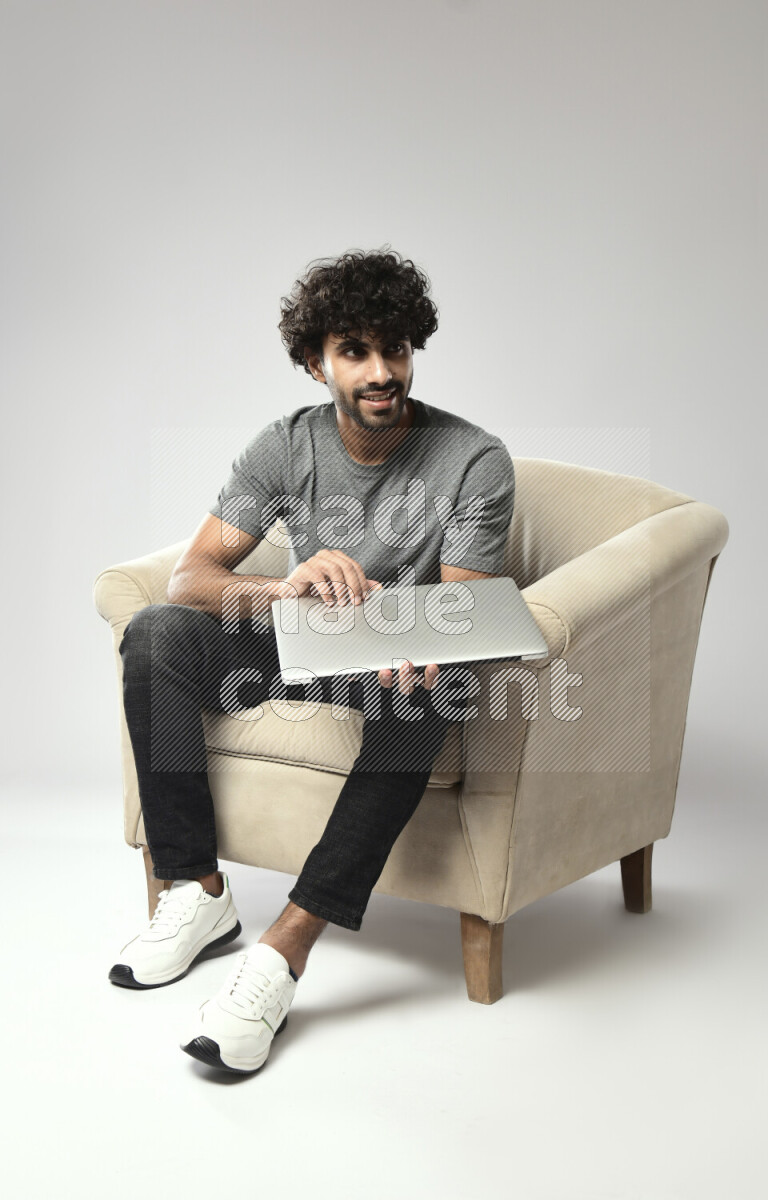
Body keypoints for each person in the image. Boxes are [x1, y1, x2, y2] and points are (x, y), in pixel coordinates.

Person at [111, 247, 516, 1075]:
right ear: (315, 361)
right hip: (297, 638)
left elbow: (459, 609)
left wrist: (410, 629)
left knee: (427, 696)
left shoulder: (474, 460)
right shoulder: (283, 447)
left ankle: (283, 951)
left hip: (394, 662)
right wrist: (284, 589)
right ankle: (195, 893)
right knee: (154, 632)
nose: (380, 371)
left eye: (395, 349)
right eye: (356, 351)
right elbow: (193, 580)